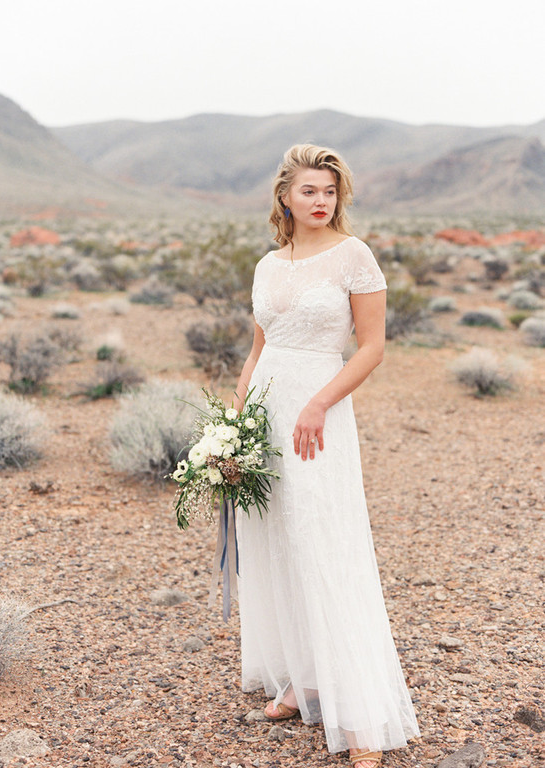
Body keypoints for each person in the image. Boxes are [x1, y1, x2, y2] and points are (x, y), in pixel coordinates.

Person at [233, 144, 420, 767]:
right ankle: (305, 677)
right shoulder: (267, 264)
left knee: (324, 543)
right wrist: (234, 419)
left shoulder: (353, 256)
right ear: (285, 195)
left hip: (318, 413)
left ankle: (361, 713)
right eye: (310, 191)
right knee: (278, 539)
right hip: (264, 413)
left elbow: (371, 348)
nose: (321, 202)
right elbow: (260, 347)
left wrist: (318, 404)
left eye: (330, 192)